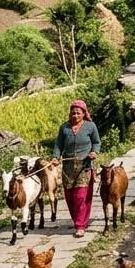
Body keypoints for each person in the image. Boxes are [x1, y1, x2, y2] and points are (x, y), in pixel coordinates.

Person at [52, 100, 101, 237]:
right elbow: (58, 145)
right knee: (70, 197)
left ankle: (80, 225)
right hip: (67, 168)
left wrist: (94, 152)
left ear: (84, 113)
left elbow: (96, 142)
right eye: (73, 113)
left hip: (84, 166)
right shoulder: (64, 128)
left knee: (81, 196)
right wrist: (56, 157)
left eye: (78, 113)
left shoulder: (90, 126)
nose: (75, 115)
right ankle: (77, 221)